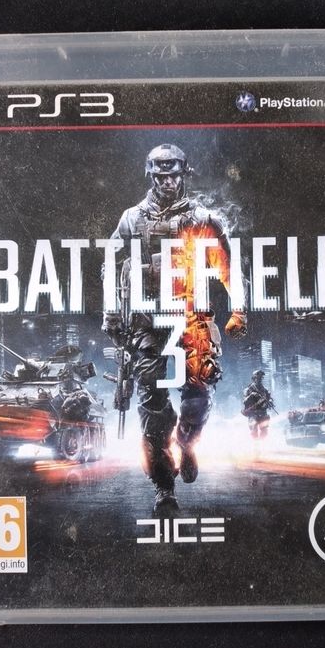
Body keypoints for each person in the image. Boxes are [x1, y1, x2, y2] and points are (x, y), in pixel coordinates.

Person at [102, 144, 247, 511]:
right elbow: (111, 265)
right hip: (147, 322)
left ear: (184, 175)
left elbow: (228, 267)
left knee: (197, 398)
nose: (167, 182)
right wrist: (111, 314)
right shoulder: (131, 219)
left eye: (173, 175)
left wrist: (239, 310)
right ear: (151, 176)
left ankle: (186, 442)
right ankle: (164, 486)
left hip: (191, 318)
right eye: (161, 176)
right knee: (152, 406)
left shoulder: (202, 218)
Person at [242, 370, 275, 439]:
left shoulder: (265, 390)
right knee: (254, 431)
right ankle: (255, 444)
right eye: (258, 378)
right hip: (253, 413)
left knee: (264, 431)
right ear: (254, 378)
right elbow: (244, 401)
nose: (260, 380)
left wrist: (270, 401)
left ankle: (263, 443)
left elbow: (270, 398)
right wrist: (251, 395)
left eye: (261, 378)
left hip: (262, 413)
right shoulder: (248, 389)